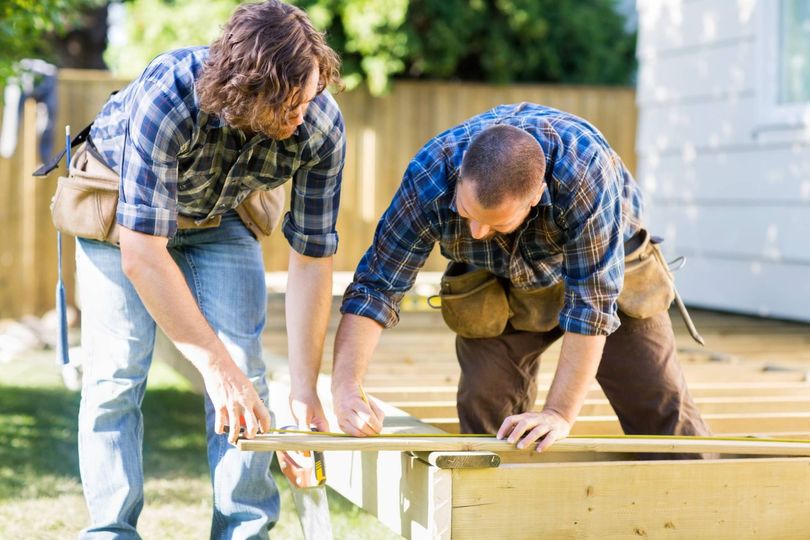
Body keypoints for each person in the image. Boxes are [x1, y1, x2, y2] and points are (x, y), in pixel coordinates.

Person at [74, 1, 345, 537]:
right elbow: (142, 254)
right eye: (290, 103)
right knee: (115, 375)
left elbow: (313, 257)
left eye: (310, 94)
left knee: (247, 368)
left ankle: (245, 529)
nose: (303, 113)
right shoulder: (169, 96)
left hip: (220, 214)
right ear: (246, 90)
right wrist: (214, 371)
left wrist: (306, 389)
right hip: (121, 217)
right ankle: (111, 530)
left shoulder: (319, 126)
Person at [330, 102, 711, 456]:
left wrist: (559, 414)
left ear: (536, 197)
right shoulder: (430, 177)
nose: (476, 231)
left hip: (609, 270)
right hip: (495, 276)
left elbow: (591, 307)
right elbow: (377, 287)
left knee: (661, 410)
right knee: (486, 411)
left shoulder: (584, 172)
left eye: (495, 221)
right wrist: (347, 386)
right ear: (460, 173)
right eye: (467, 211)